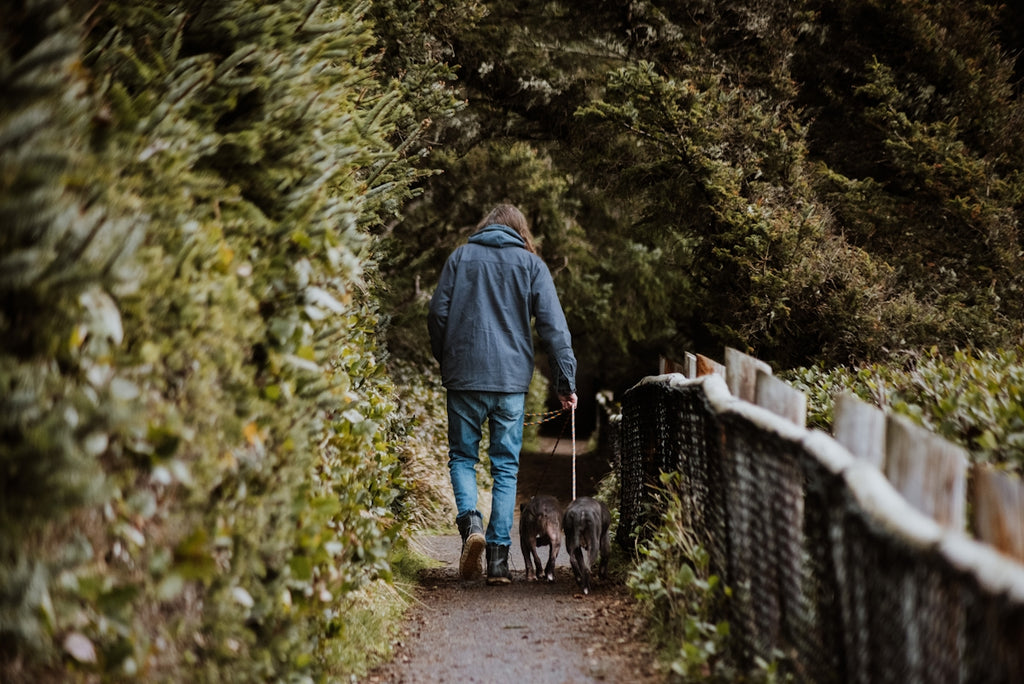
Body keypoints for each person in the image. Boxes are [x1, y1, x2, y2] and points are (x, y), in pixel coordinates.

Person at [427, 203, 578, 584]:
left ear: (484, 227)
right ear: (520, 231)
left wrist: (449, 359)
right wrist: (565, 384)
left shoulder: (460, 258)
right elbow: (555, 329)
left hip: (463, 377)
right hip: (510, 382)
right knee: (505, 466)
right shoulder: (531, 266)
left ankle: (470, 524)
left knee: (462, 456)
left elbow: (437, 315)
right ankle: (497, 561)